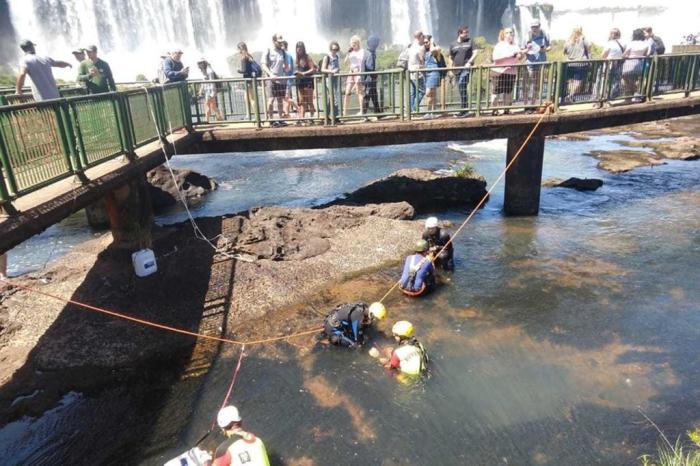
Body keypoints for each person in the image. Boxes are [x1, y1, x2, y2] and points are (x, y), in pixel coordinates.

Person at [490, 28, 523, 115]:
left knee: (508, 92)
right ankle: (494, 110)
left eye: (511, 32)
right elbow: (495, 59)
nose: (510, 34)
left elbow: (519, 58)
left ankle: (506, 109)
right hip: (499, 71)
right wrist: (510, 55)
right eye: (507, 33)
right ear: (503, 35)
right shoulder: (499, 45)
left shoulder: (516, 46)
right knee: (496, 92)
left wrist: (520, 55)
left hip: (511, 72)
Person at [522, 19, 551, 112]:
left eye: (536, 27)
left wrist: (545, 50)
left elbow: (549, 46)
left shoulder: (545, 34)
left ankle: (534, 104)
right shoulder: (527, 36)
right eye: (533, 27)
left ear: (539, 26)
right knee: (527, 84)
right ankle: (526, 105)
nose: (534, 29)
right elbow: (521, 50)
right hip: (529, 63)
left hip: (541, 63)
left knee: (537, 85)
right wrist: (527, 49)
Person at [449, 26, 478, 116]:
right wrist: (450, 69)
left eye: (467, 32)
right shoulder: (453, 44)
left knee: (462, 84)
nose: (467, 34)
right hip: (457, 70)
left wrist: (469, 62)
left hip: (466, 68)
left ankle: (464, 109)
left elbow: (476, 52)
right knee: (462, 89)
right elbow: (450, 57)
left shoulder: (470, 41)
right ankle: (465, 109)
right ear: (459, 33)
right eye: (465, 32)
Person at [261, 34, 289, 127]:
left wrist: (287, 69)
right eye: (279, 42)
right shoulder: (268, 50)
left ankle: (280, 119)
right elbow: (263, 64)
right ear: (274, 41)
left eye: (281, 42)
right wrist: (270, 74)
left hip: (281, 79)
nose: (280, 43)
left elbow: (286, 65)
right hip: (271, 79)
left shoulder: (283, 52)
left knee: (280, 100)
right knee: (271, 100)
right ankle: (271, 120)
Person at [563, 26, 592, 102]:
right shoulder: (583, 39)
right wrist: (590, 61)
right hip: (581, 63)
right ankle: (571, 95)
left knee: (571, 80)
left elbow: (564, 51)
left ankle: (570, 95)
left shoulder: (568, 40)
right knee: (578, 81)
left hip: (570, 63)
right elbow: (589, 48)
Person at [622, 28, 650, 102]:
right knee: (639, 81)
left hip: (628, 65)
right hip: (639, 65)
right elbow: (647, 54)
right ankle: (636, 96)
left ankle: (628, 97)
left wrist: (628, 57)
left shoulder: (631, 43)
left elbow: (624, 55)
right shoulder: (646, 44)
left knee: (627, 81)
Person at [294, 41, 317, 126]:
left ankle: (312, 118)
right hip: (300, 82)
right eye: (298, 47)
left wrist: (303, 73)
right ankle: (302, 118)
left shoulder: (308, 57)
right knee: (302, 101)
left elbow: (313, 69)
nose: (299, 49)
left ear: (303, 48)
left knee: (310, 101)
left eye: (301, 47)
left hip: (308, 81)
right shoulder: (297, 59)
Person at [601, 28, 626, 103]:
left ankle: (604, 96)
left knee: (605, 80)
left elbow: (603, 55)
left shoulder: (609, 43)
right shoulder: (623, 43)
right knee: (615, 80)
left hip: (609, 64)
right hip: (618, 64)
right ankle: (612, 96)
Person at [343, 35, 365, 116]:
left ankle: (362, 111)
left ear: (358, 43)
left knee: (359, 92)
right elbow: (345, 62)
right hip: (351, 72)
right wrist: (348, 54)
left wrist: (359, 74)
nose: (353, 45)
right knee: (347, 92)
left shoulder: (362, 51)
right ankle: (344, 112)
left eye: (354, 43)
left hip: (358, 72)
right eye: (352, 43)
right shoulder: (350, 52)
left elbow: (362, 63)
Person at [361, 35, 381, 121]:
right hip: (369, 79)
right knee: (368, 96)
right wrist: (375, 74)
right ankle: (363, 115)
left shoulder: (368, 52)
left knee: (374, 96)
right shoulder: (369, 54)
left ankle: (378, 113)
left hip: (368, 78)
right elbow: (369, 66)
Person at [321, 40, 342, 123]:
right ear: (330, 49)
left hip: (335, 79)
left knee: (331, 98)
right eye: (333, 49)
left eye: (336, 49)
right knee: (334, 98)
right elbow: (322, 69)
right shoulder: (327, 57)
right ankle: (335, 117)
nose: (334, 51)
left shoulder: (336, 57)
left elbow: (338, 67)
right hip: (328, 80)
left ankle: (326, 116)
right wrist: (332, 71)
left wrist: (338, 71)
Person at [237, 42, 258, 118]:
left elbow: (244, 70)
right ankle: (248, 114)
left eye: (238, 49)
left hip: (248, 80)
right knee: (246, 98)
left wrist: (238, 71)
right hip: (251, 79)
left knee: (251, 99)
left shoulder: (243, 57)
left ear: (240, 49)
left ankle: (256, 116)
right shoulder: (249, 56)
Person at [408, 30, 426, 112]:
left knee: (412, 92)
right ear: (419, 37)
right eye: (423, 37)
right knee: (422, 91)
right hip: (417, 72)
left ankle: (410, 111)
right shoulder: (419, 48)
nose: (424, 38)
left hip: (410, 71)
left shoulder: (411, 46)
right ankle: (414, 109)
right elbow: (422, 60)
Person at [423, 43, 441, 119]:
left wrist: (431, 41)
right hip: (427, 74)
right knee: (432, 94)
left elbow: (434, 49)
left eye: (427, 42)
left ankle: (429, 112)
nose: (425, 44)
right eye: (424, 42)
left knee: (429, 93)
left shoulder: (435, 51)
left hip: (433, 73)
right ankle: (432, 112)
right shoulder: (424, 51)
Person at [280, 41, 297, 118]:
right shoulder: (282, 56)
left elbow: (289, 68)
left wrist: (280, 69)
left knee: (286, 97)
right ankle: (287, 114)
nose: (280, 47)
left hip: (288, 79)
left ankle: (297, 108)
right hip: (284, 80)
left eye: (282, 46)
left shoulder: (287, 55)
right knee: (285, 97)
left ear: (285, 47)